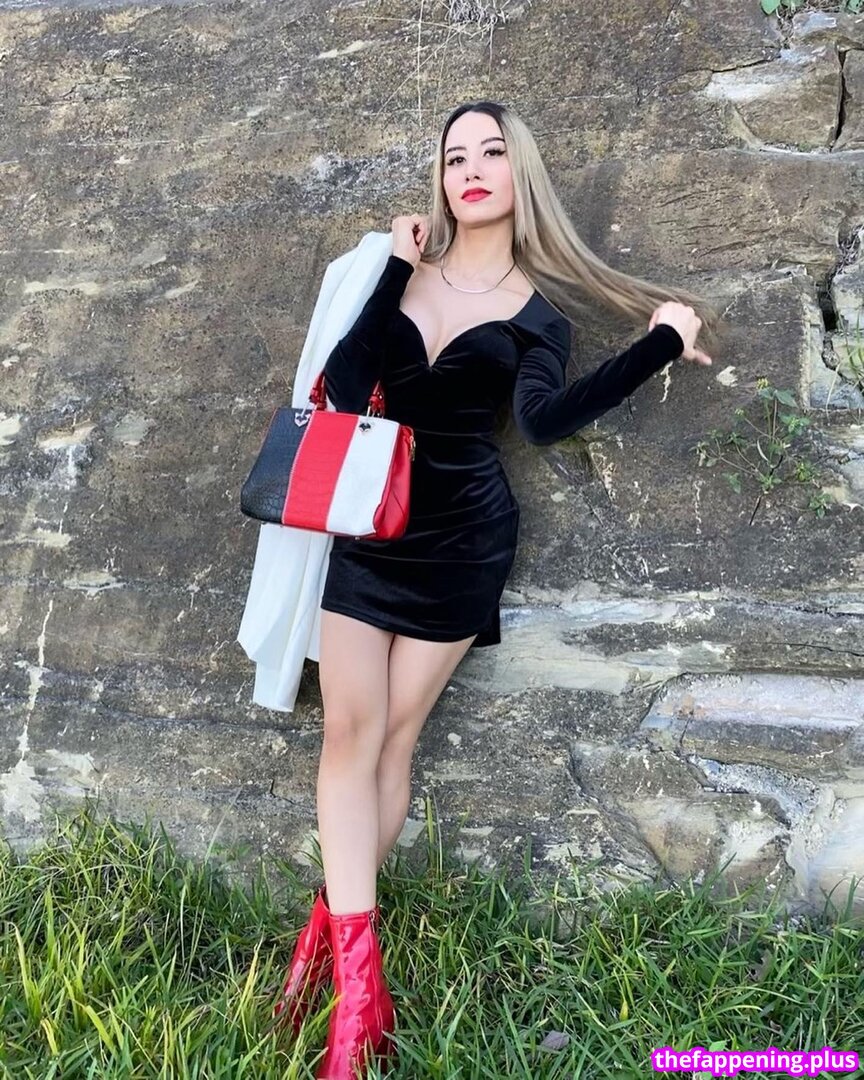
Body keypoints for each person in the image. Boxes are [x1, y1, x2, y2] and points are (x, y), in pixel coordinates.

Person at [271, 99, 723, 1079]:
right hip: (371, 530)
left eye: (490, 153)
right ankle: (356, 991)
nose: (471, 169)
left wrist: (658, 343)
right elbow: (343, 389)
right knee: (348, 737)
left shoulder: (536, 314)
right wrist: (396, 267)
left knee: (393, 742)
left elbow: (548, 422)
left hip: (465, 543)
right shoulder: (402, 272)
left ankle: (332, 971)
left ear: (519, 174)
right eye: (454, 157)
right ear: (440, 178)